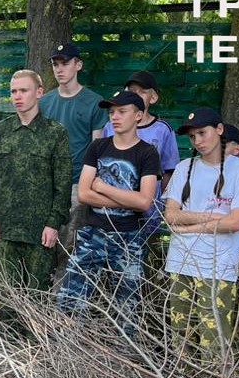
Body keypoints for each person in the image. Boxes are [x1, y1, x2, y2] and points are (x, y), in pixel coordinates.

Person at [55, 89, 161, 336]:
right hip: (92, 233)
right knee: (71, 299)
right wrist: (127, 199)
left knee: (128, 307)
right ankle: (65, 353)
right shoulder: (98, 147)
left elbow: (145, 202)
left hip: (129, 238)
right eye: (112, 112)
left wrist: (102, 187)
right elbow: (83, 194)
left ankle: (124, 358)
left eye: (121, 112)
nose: (114, 117)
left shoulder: (147, 153)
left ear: (138, 115)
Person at [163, 108, 239, 356]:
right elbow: (170, 215)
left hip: (218, 265)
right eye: (192, 137)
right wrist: (209, 217)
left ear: (220, 130)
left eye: (202, 133)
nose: (198, 141)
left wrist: (190, 226)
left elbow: (235, 222)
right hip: (180, 262)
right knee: (180, 340)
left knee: (215, 342)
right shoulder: (184, 167)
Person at [0, 70, 71, 292]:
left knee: (37, 296)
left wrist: (53, 223)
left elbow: (63, 183)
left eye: (24, 90)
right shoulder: (0, 131)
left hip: (40, 230)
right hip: (6, 227)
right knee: (7, 296)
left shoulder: (55, 133)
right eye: (13, 91)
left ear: (39, 92)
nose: (17, 96)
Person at [38, 43, 104, 256]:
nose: (59, 69)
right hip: (46, 185)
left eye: (65, 63)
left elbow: (96, 148)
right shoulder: (45, 101)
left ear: (78, 65)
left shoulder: (94, 102)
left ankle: (63, 290)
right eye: (55, 64)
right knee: (44, 247)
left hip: (77, 184)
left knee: (70, 249)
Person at [100, 71, 179, 235]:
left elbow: (169, 171)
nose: (136, 95)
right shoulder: (110, 127)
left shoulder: (163, 130)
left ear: (153, 97)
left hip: (147, 210)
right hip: (112, 206)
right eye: (132, 91)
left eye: (142, 91)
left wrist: (161, 205)